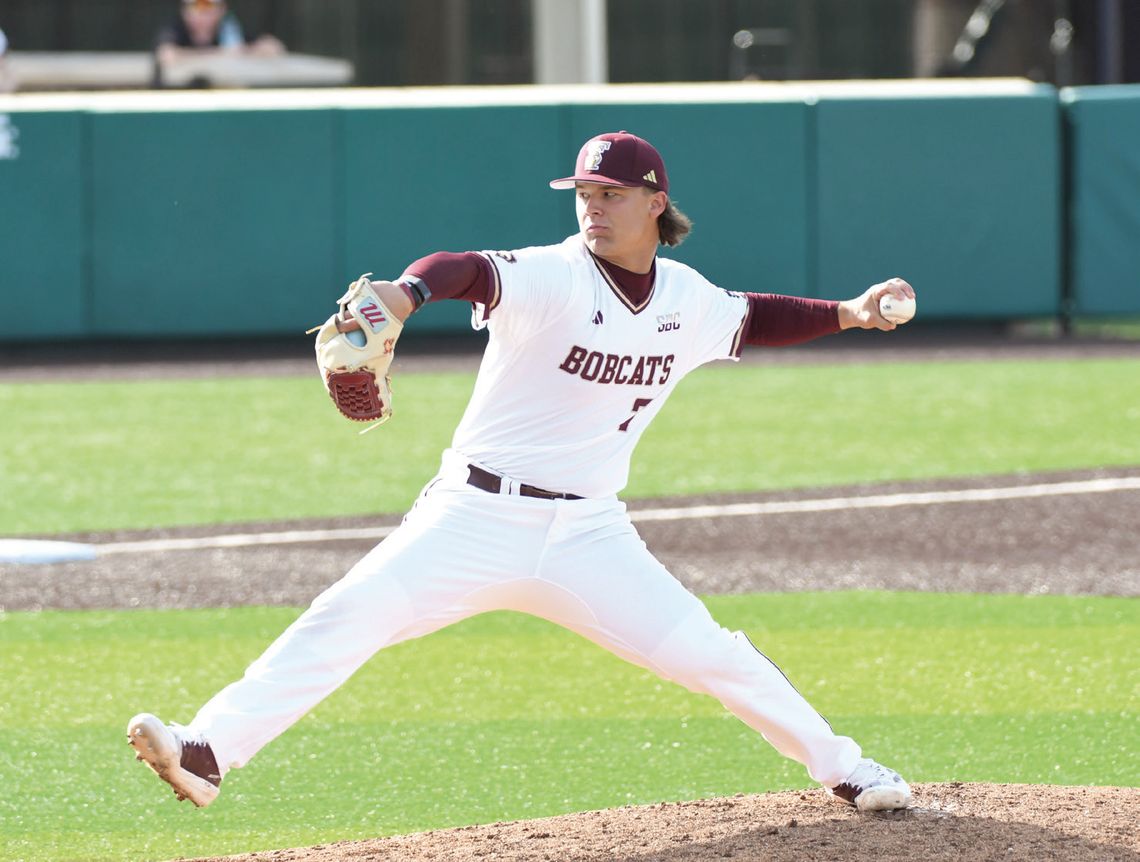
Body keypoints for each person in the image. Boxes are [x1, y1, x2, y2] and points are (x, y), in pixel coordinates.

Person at [127, 131, 917, 814]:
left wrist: (852, 310)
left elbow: (755, 317)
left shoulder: (686, 297)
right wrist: (406, 294)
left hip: (590, 535)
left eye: (609, 193)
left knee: (713, 654)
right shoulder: (555, 274)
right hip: (472, 517)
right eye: (582, 191)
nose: (591, 206)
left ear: (653, 201)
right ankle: (207, 754)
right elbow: (464, 268)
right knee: (346, 617)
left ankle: (846, 770)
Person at [153, 0, 284, 87]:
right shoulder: (175, 29)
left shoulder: (229, 29)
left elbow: (274, 47)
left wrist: (243, 51)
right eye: (195, 6)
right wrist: (222, 53)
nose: (202, 13)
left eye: (209, 6)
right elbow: (166, 55)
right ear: (184, 11)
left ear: (222, 10)